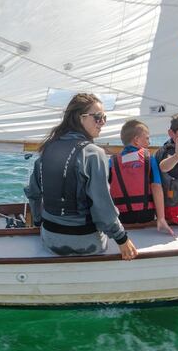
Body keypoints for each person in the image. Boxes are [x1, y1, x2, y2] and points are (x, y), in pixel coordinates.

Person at [24, 93, 138, 260]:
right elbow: (102, 206)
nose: (103, 123)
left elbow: (34, 193)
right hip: (86, 244)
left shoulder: (47, 149)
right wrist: (122, 238)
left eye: (104, 117)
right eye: (98, 117)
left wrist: (38, 222)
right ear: (80, 118)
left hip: (49, 240)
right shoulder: (94, 154)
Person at [109, 120, 174, 236]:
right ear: (136, 140)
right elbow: (156, 187)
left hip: (123, 217)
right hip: (146, 215)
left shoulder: (112, 161)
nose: (149, 142)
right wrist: (161, 218)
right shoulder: (149, 158)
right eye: (147, 138)